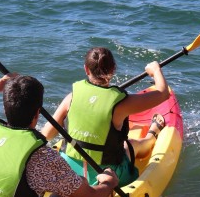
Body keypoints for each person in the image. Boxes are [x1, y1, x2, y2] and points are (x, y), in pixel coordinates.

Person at [41, 47, 169, 186]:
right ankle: (151, 137)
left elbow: (46, 134)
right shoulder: (122, 104)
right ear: (113, 69)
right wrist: (155, 70)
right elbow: (163, 93)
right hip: (106, 175)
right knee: (129, 144)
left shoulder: (71, 97)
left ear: (86, 69)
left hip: (68, 171)